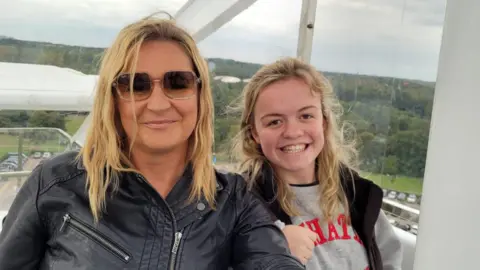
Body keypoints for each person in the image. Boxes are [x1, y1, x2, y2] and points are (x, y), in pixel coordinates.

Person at [0, 15, 304, 270]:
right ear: (113, 100)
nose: (158, 104)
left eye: (178, 82)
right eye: (135, 85)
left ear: (200, 94)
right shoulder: (57, 183)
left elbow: (271, 260)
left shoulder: (232, 202)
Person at [232, 57, 403, 270]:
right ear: (254, 133)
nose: (293, 132)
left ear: (324, 121)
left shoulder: (357, 194)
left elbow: (388, 258)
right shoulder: (239, 205)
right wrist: (270, 252)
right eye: (275, 121)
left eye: (305, 115)